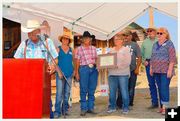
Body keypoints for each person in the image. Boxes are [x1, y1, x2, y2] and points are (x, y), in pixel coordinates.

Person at [14, 20, 59, 118]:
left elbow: (55, 58)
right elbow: (16, 61)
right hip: (28, 81)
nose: (30, 34)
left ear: (38, 31)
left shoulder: (47, 42)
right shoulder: (24, 44)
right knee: (29, 104)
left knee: (46, 104)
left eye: (32, 32)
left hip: (44, 81)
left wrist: (53, 66)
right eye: (29, 32)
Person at [150, 27, 177, 115]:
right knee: (160, 88)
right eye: (158, 33)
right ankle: (161, 107)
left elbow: (172, 58)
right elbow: (152, 57)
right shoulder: (155, 44)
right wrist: (151, 68)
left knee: (164, 88)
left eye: (161, 33)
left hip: (166, 70)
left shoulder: (169, 43)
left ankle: (165, 107)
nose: (159, 35)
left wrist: (170, 69)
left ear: (166, 34)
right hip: (156, 70)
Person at [75, 31, 98, 116]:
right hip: (83, 69)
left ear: (90, 39)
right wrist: (76, 72)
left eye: (88, 38)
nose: (87, 39)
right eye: (85, 38)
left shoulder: (94, 48)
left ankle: (90, 108)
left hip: (94, 70)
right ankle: (83, 108)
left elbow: (96, 59)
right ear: (83, 39)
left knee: (92, 89)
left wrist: (99, 66)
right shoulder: (79, 49)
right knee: (83, 89)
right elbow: (77, 61)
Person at [107, 34, 131, 114]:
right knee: (112, 91)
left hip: (123, 73)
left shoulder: (126, 49)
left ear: (122, 40)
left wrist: (118, 66)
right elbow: (107, 61)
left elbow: (128, 62)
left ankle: (126, 107)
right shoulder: (111, 50)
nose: (115, 41)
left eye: (117, 39)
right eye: (114, 39)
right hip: (112, 74)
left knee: (124, 91)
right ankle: (112, 107)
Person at [53, 32, 74, 118]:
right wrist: (58, 72)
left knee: (67, 93)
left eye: (67, 39)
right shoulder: (58, 49)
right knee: (59, 94)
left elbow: (74, 61)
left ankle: (64, 110)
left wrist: (74, 72)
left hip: (69, 74)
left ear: (69, 41)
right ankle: (57, 111)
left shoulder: (71, 50)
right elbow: (54, 62)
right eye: (64, 38)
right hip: (60, 75)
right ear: (61, 40)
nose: (65, 40)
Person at [141, 27, 159, 109]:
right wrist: (144, 61)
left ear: (155, 32)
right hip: (148, 64)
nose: (149, 32)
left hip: (159, 64)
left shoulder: (159, 40)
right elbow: (142, 54)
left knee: (160, 83)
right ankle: (154, 102)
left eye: (150, 31)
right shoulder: (144, 42)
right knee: (151, 84)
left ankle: (162, 103)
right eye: (147, 31)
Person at [123, 30, 142, 107]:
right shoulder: (121, 45)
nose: (125, 37)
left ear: (131, 36)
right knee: (123, 87)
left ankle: (130, 103)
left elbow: (139, 57)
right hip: (123, 70)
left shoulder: (135, 45)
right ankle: (124, 102)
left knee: (131, 87)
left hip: (132, 69)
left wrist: (137, 68)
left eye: (127, 35)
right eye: (124, 36)